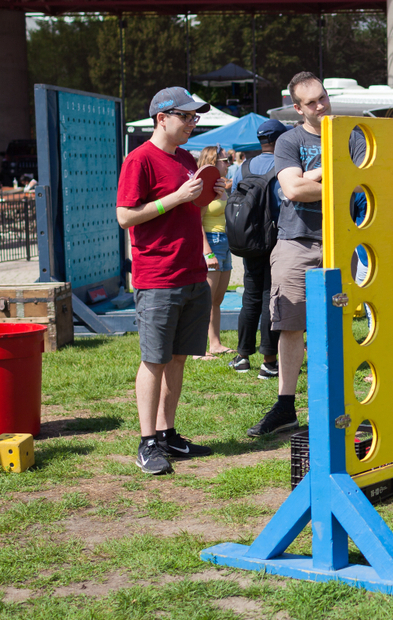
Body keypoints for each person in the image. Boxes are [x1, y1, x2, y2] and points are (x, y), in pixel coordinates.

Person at [247, 72, 367, 437]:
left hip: (340, 242)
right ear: (297, 108)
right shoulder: (289, 140)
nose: (321, 105)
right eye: (312, 102)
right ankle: (286, 407)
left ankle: (342, 408)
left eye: (324, 97)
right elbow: (293, 190)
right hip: (296, 242)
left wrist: (311, 178)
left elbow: (360, 184)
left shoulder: (353, 136)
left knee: (338, 326)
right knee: (290, 324)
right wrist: (332, 174)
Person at [116, 87, 221, 475]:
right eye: (187, 117)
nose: (193, 123)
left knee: (177, 358)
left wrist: (211, 193)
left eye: (195, 117)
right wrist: (176, 198)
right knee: (154, 360)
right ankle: (147, 444)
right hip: (158, 277)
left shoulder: (185, 158)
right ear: (162, 118)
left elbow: (190, 206)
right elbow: (125, 217)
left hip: (192, 273)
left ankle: (167, 434)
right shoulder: (139, 159)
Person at [228, 119, 287, 379]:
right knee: (269, 299)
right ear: (280, 139)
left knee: (250, 296)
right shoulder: (282, 166)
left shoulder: (244, 166)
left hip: (249, 238)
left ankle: (242, 356)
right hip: (275, 237)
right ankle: (269, 361)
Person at [194, 145, 234, 359]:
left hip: (224, 242)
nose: (228, 163)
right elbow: (196, 221)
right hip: (211, 241)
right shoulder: (203, 186)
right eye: (224, 160)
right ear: (213, 161)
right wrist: (207, 251)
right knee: (205, 300)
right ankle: (198, 349)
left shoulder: (220, 185)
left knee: (217, 299)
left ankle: (215, 344)